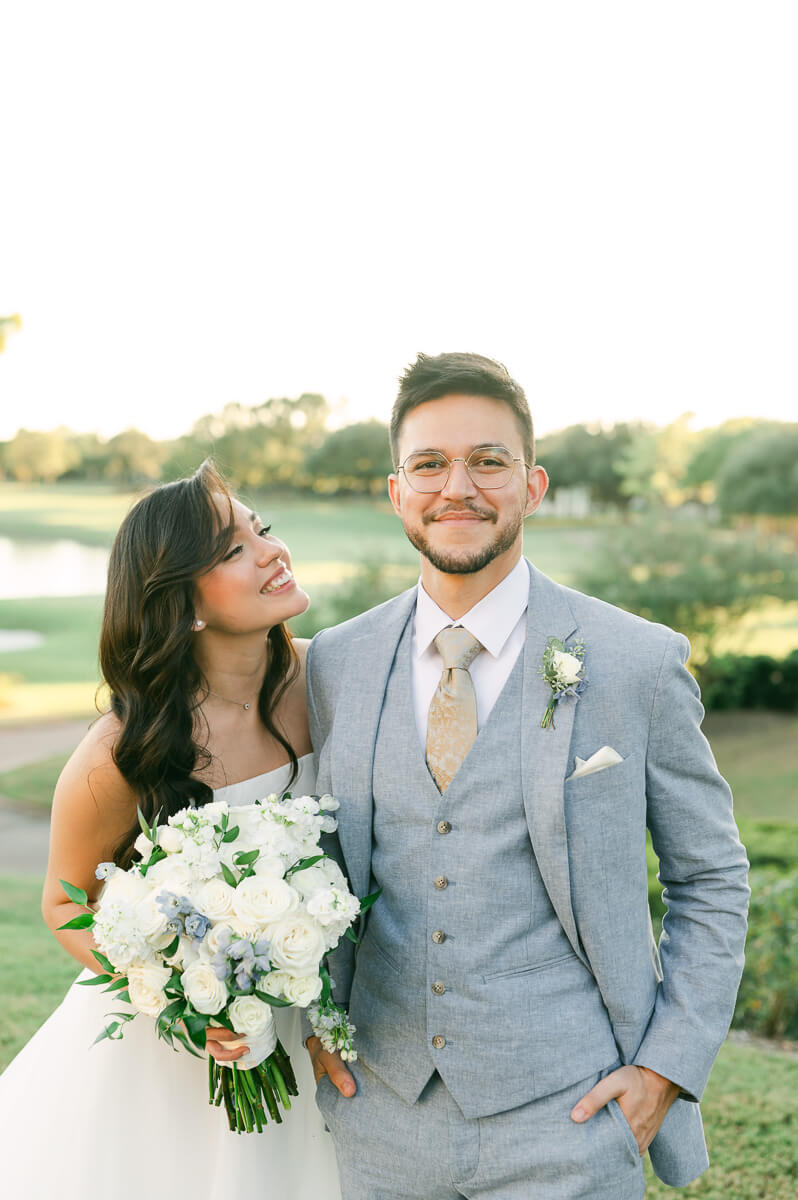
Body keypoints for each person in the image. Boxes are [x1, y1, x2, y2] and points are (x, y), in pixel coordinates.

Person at [304, 352, 750, 1199]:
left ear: (533, 484)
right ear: (396, 490)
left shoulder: (637, 663)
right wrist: (311, 1022)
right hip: (377, 1120)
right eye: (429, 464)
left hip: (572, 1119)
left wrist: (664, 1068)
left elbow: (713, 878)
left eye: (489, 461)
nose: (457, 487)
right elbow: (305, 859)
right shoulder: (335, 663)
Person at [0, 460, 340, 1200]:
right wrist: (177, 994)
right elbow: (65, 903)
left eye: (264, 530)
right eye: (233, 549)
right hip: (171, 1051)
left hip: (313, 1018)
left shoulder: (333, 685)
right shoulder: (124, 751)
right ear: (182, 600)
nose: (271, 551)